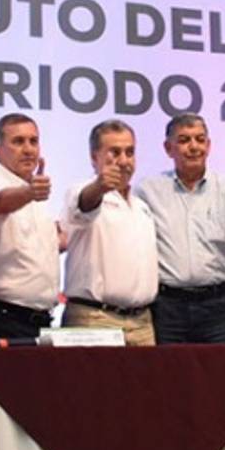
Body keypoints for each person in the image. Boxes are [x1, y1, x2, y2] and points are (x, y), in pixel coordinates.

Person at [135, 114, 225, 343]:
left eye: (200, 139)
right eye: (184, 140)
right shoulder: (148, 190)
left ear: (209, 145)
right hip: (168, 307)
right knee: (167, 367)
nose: (194, 146)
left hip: (219, 307)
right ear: (168, 148)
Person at [61, 119, 158, 346]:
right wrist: (100, 186)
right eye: (114, 152)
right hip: (95, 319)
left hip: (142, 322)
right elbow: (85, 204)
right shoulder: (81, 192)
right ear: (94, 157)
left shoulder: (141, 207)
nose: (123, 161)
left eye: (129, 152)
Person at [0, 114, 59, 340]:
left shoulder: (35, 191)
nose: (28, 149)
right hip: (1, 316)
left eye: (33, 141)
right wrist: (30, 192)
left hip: (41, 320)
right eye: (18, 142)